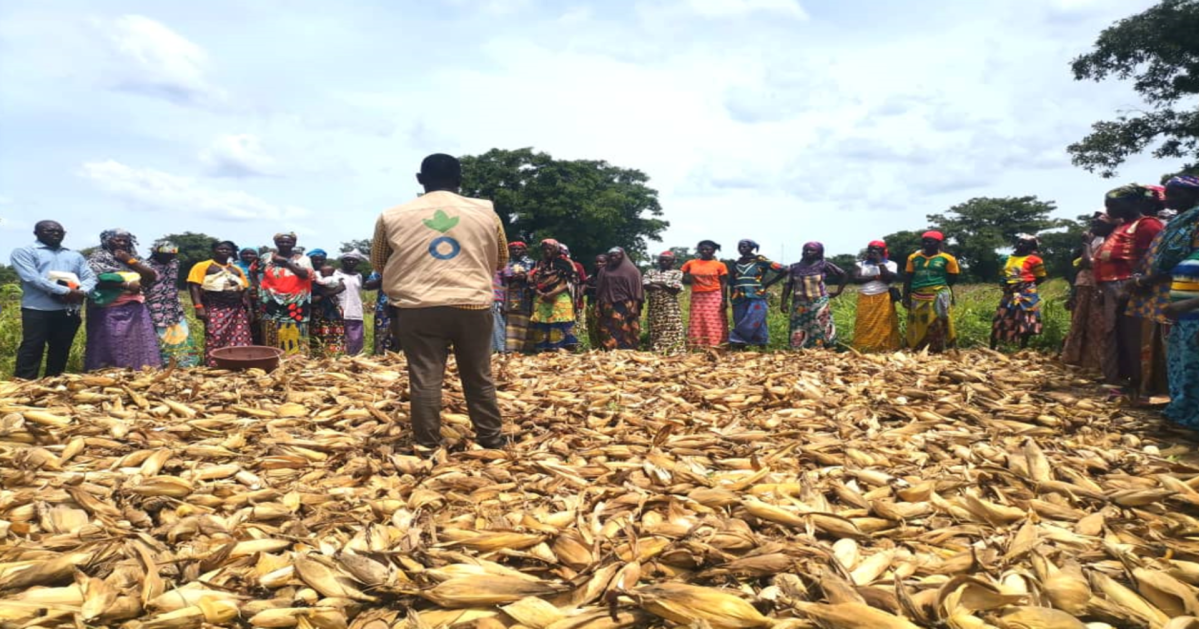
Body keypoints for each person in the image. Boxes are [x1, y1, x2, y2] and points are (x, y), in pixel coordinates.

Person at [371, 153, 507, 453]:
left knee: (425, 376)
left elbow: (379, 263)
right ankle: (491, 438)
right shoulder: (486, 212)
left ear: (420, 180)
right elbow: (502, 259)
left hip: (418, 308)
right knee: (478, 375)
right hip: (471, 304)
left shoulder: (392, 215)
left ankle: (427, 444)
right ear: (460, 180)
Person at [1093, 184, 1164, 393]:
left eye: (1114, 204)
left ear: (1134, 203)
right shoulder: (1122, 225)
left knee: (1135, 336)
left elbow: (1148, 257)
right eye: (1107, 205)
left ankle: (1140, 383)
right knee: (1120, 335)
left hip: (1131, 286)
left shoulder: (1146, 224)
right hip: (1113, 286)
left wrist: (1133, 285)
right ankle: (1126, 378)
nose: (1109, 209)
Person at [11, 220, 97, 379]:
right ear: (36, 233)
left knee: (61, 349)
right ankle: (24, 386)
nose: (56, 233)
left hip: (68, 310)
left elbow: (90, 276)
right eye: (49, 231)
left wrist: (82, 291)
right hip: (37, 310)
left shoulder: (74, 255)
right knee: (32, 348)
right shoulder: (24, 252)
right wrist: (65, 291)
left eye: (59, 231)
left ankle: (53, 385)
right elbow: (32, 278)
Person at [1155, 175, 1199, 427]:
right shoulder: (1187, 246)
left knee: (1194, 371)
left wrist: (1187, 304)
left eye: (1175, 194)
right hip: (1183, 319)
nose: (1168, 200)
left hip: (1193, 315)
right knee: (1181, 368)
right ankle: (1181, 413)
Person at [85, 229, 162, 371]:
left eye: (125, 241)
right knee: (111, 339)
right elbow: (94, 278)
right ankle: (107, 372)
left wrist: (129, 261)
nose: (121, 243)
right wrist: (125, 284)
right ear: (106, 241)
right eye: (117, 240)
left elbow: (151, 275)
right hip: (107, 306)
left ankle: (138, 371)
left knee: (138, 339)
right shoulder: (97, 258)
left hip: (134, 305)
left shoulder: (134, 257)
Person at [1062, 213, 1116, 370]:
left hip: (1097, 287)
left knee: (1096, 326)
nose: (1093, 224)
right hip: (1085, 286)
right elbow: (1078, 263)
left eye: (1099, 220)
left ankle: (1097, 363)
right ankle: (1080, 360)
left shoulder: (1109, 242)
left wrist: (1086, 244)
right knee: (1080, 323)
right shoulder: (1096, 240)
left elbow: (1089, 263)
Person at [187, 240, 253, 366]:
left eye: (228, 249)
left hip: (236, 308)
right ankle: (214, 363)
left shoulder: (236, 269)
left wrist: (249, 309)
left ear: (232, 252)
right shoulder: (203, 266)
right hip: (215, 307)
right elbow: (194, 287)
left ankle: (238, 363)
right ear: (214, 250)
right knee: (215, 335)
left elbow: (244, 290)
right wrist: (198, 307)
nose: (224, 251)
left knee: (239, 336)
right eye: (221, 249)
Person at [255, 232, 313, 355]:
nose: (285, 244)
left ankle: (298, 363)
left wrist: (286, 262)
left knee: (297, 331)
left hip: (297, 303)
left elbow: (305, 275)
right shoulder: (266, 257)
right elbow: (254, 271)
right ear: (275, 243)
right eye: (281, 241)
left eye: (288, 241)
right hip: (270, 301)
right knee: (272, 330)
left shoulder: (303, 259)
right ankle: (273, 360)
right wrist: (258, 288)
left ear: (294, 243)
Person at [781, 242, 848, 349]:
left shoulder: (823, 265)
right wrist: (783, 302)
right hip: (799, 302)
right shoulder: (794, 267)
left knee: (820, 325)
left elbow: (843, 274)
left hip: (819, 302)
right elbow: (787, 285)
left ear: (819, 253)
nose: (808, 252)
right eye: (805, 250)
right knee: (799, 325)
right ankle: (800, 349)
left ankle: (823, 348)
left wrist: (838, 291)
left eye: (812, 250)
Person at [144, 240, 200, 367]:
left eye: (172, 254)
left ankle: (185, 363)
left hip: (173, 305)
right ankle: (161, 363)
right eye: (164, 254)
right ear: (155, 252)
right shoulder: (145, 265)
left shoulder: (175, 263)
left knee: (180, 332)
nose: (168, 257)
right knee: (157, 333)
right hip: (153, 304)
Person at [903, 231, 960, 352]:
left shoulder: (948, 259)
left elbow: (952, 278)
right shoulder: (913, 258)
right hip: (917, 294)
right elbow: (908, 277)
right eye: (924, 241)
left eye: (930, 241)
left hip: (937, 294)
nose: (926, 244)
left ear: (938, 243)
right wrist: (905, 296)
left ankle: (940, 348)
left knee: (939, 321)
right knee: (917, 322)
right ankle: (916, 347)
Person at [991, 234, 1049, 350]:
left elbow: (1040, 277)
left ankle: (1022, 348)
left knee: (1025, 320)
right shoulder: (1005, 259)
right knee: (1002, 317)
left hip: (1025, 290)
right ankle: (992, 347)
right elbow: (1002, 274)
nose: (1020, 244)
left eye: (1024, 243)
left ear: (1030, 247)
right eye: (1019, 242)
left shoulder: (1035, 260)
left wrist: (1025, 287)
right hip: (1009, 292)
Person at [729, 239, 785, 349]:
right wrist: (731, 297)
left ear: (752, 248)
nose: (742, 249)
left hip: (757, 294)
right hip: (738, 296)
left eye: (745, 246)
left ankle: (760, 344)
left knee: (757, 319)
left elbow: (784, 269)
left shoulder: (759, 260)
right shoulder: (736, 263)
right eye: (739, 247)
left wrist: (768, 283)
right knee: (740, 318)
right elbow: (731, 282)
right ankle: (741, 346)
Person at [528, 238, 579, 351]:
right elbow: (530, 281)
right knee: (542, 321)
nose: (547, 251)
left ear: (556, 249)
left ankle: (562, 348)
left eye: (550, 249)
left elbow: (572, 281)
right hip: (541, 298)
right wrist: (540, 293)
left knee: (560, 320)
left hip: (560, 297)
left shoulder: (565, 263)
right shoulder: (537, 264)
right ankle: (543, 348)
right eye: (544, 249)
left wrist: (553, 293)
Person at [851, 240, 901, 352]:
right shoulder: (860, 264)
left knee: (884, 323)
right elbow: (856, 279)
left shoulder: (891, 264)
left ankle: (884, 348)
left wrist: (879, 262)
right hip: (865, 296)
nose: (874, 251)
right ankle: (863, 347)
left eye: (877, 249)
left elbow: (888, 277)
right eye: (871, 248)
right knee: (864, 323)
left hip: (883, 297)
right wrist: (875, 277)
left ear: (884, 251)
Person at [681, 240, 729, 348]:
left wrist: (724, 299)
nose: (705, 251)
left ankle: (716, 344)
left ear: (714, 251)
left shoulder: (720, 265)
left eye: (708, 249)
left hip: (714, 295)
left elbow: (724, 283)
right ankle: (696, 344)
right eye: (702, 249)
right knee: (697, 320)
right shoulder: (691, 263)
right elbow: (679, 275)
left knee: (714, 320)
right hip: (697, 296)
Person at [595, 246, 644, 350]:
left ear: (622, 256)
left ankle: (626, 350)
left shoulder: (632, 271)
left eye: (616, 256)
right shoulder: (604, 270)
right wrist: (598, 306)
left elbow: (637, 290)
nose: (613, 258)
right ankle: (610, 350)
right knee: (607, 328)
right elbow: (600, 289)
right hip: (607, 304)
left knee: (624, 328)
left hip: (624, 304)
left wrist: (635, 306)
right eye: (611, 256)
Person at [643, 251, 685, 354]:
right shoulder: (651, 272)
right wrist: (665, 284)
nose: (664, 262)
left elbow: (674, 290)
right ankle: (657, 350)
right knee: (655, 326)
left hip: (670, 304)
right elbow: (645, 285)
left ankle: (673, 351)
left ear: (673, 261)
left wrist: (656, 283)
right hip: (654, 305)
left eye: (667, 260)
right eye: (661, 260)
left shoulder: (677, 273)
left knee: (672, 326)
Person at [308, 249, 347, 357]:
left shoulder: (331, 273)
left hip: (331, 309)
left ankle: (335, 358)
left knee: (334, 334)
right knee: (315, 336)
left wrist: (322, 295)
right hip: (315, 311)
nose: (318, 262)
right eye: (315, 260)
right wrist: (329, 293)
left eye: (321, 260)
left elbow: (342, 287)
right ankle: (318, 358)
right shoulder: (307, 274)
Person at [502, 241, 535, 353]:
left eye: (519, 249)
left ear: (524, 250)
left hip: (526, 295)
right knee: (511, 321)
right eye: (513, 249)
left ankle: (526, 348)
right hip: (510, 295)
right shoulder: (506, 263)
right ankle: (512, 348)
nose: (516, 251)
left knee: (525, 320)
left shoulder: (531, 263)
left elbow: (536, 277)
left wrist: (526, 276)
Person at [335, 250, 368, 355]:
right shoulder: (335, 273)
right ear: (343, 261)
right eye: (348, 260)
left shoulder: (359, 276)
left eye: (354, 261)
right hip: (340, 309)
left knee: (355, 339)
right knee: (338, 338)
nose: (351, 262)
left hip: (355, 310)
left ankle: (354, 359)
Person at [363, 271, 397, 354]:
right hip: (383, 308)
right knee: (381, 336)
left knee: (399, 336)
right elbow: (367, 285)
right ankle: (381, 357)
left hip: (402, 306)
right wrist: (383, 278)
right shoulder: (379, 271)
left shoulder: (404, 268)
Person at [560, 244, 588, 344]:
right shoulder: (549, 265)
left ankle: (574, 343)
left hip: (573, 297)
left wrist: (580, 293)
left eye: (563, 253)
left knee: (574, 321)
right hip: (556, 300)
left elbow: (583, 282)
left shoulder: (576, 266)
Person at [584, 253, 608, 349]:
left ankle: (606, 348)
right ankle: (595, 348)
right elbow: (584, 288)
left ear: (607, 263)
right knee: (592, 326)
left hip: (604, 306)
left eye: (601, 262)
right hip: (591, 304)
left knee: (604, 327)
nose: (598, 264)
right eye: (597, 262)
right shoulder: (591, 277)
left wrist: (592, 288)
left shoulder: (610, 276)